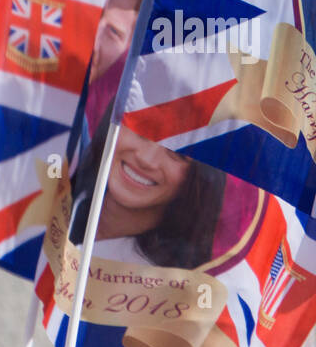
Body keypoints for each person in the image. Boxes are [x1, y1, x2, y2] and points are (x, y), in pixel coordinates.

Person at [69, 108, 226, 269]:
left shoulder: (175, 285)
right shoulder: (56, 191)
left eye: (178, 152)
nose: (146, 159)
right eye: (143, 128)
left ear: (200, 178)